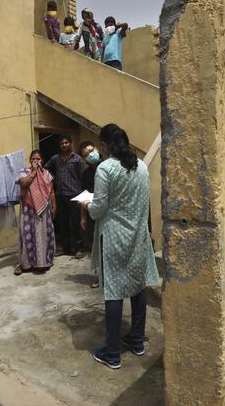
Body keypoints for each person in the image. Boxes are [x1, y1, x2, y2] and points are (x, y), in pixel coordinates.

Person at [81, 124, 159, 370]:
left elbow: (98, 210)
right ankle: (137, 341)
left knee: (113, 291)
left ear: (105, 145)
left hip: (114, 238)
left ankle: (112, 352)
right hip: (137, 237)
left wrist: (86, 205)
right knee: (137, 287)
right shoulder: (142, 167)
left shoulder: (105, 169)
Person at [14, 150, 57, 275]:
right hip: (28, 210)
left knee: (42, 234)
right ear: (30, 160)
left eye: (38, 159)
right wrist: (33, 171)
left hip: (44, 210)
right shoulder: (24, 172)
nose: (36, 161)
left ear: (42, 160)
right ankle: (27, 263)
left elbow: (52, 191)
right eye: (33, 159)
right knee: (28, 234)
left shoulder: (47, 174)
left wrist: (54, 206)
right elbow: (24, 183)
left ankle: (42, 262)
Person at [45, 134, 86, 257]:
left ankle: (79, 249)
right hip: (60, 195)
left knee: (76, 223)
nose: (64, 145)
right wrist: (54, 178)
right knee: (62, 224)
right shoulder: (55, 159)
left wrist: (82, 194)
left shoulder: (78, 159)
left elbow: (82, 177)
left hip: (75, 195)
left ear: (71, 144)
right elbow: (46, 168)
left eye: (66, 143)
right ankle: (65, 248)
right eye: (62, 143)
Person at [78, 140, 101, 288]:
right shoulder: (86, 174)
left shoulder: (108, 167)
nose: (91, 155)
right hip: (92, 212)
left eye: (92, 151)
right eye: (87, 154)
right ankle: (99, 276)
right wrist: (83, 217)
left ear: (97, 149)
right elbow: (84, 195)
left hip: (107, 212)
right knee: (96, 246)